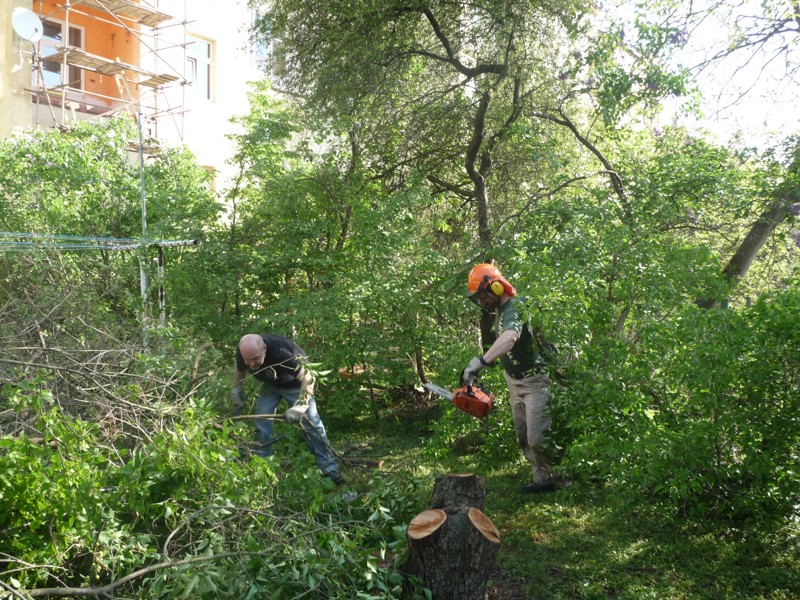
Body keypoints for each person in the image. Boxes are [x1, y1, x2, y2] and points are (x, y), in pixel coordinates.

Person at [462, 263, 568, 493]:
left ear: (497, 288)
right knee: (523, 436)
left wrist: (481, 362)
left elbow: (510, 338)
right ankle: (542, 479)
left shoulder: (515, 307)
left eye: (482, 296)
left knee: (538, 437)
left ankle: (562, 477)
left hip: (534, 381)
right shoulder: (501, 311)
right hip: (513, 380)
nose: (481, 302)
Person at [231, 333, 344, 485]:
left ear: (264, 348)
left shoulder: (281, 352)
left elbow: (309, 376)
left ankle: (328, 467)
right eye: (248, 360)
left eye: (255, 358)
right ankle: (262, 468)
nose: (251, 363)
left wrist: (302, 404)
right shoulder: (244, 351)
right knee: (261, 423)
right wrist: (236, 389)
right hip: (269, 386)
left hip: (296, 386)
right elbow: (240, 368)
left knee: (311, 423)